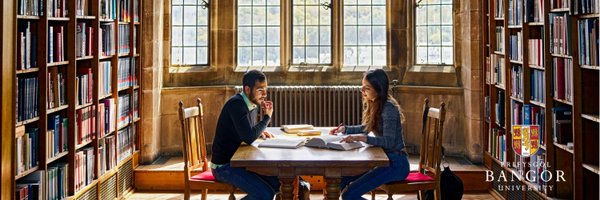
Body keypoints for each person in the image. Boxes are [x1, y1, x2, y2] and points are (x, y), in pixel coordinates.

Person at [329, 69, 410, 200]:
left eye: (367, 88)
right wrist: (345, 129)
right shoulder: (375, 103)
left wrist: (363, 138)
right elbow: (366, 127)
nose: (362, 91)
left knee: (349, 195)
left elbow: (388, 142)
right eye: (362, 86)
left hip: (396, 164)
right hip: (386, 160)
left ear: (379, 89)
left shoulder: (389, 108)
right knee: (342, 180)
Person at [210, 70, 279, 200]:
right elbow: (248, 137)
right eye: (260, 90)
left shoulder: (251, 103)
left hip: (238, 162)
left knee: (278, 182)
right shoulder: (236, 104)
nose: (264, 94)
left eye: (265, 89)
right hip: (223, 167)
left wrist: (259, 131)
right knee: (265, 195)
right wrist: (267, 117)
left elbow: (247, 131)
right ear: (247, 89)